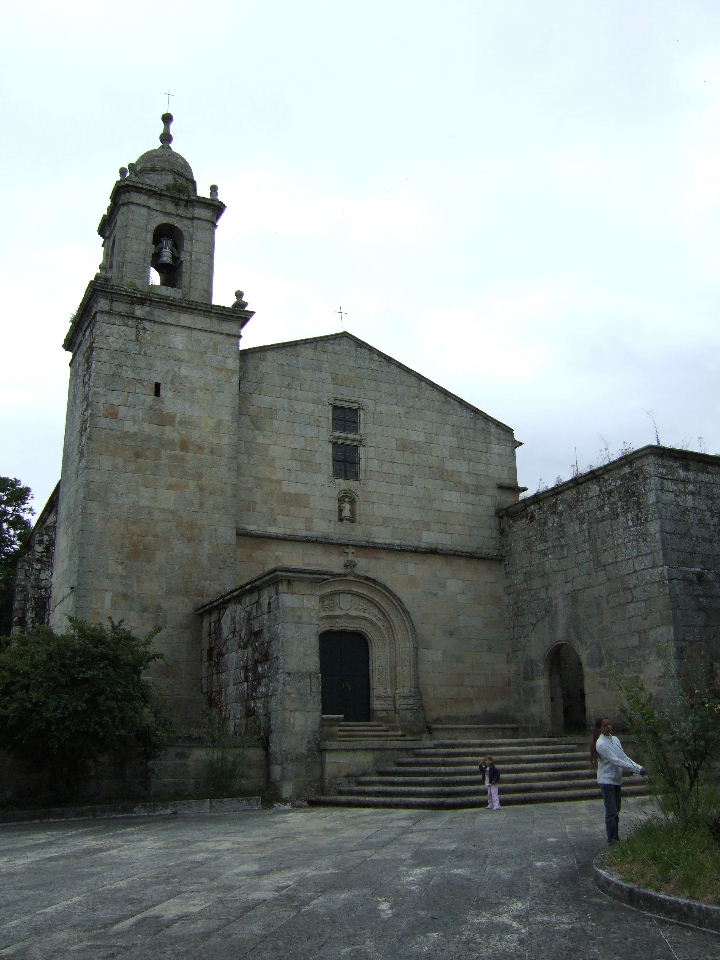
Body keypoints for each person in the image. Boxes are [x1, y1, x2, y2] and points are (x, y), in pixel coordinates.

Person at [590, 717, 646, 845]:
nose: (608, 727)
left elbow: (623, 757)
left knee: (616, 810)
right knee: (611, 811)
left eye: (609, 724)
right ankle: (612, 840)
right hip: (607, 781)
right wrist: (638, 769)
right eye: (605, 725)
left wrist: (638, 767)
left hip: (616, 779)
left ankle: (615, 837)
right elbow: (615, 760)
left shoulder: (615, 739)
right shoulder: (601, 744)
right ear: (600, 729)